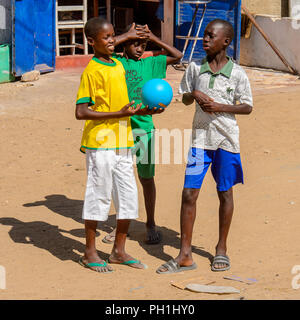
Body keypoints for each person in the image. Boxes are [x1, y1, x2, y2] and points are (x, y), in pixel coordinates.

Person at [156, 19, 253, 273]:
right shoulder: (196, 68)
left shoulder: (238, 73)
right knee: (189, 193)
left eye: (211, 36)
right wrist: (194, 95)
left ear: (226, 42)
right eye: (205, 35)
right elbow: (186, 98)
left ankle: (221, 248)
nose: (205, 40)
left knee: (225, 193)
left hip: (226, 142)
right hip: (200, 141)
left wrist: (219, 107)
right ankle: (185, 254)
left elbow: (247, 106)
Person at [75, 17, 159, 273]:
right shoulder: (92, 70)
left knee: (128, 197)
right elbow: (81, 112)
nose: (112, 41)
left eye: (113, 36)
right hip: (100, 143)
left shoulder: (117, 66)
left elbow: (123, 105)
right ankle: (89, 252)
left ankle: (118, 252)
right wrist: (119, 115)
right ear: (91, 42)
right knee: (98, 195)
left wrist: (144, 110)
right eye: (107, 37)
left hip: (123, 141)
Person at [101, 23, 183, 245]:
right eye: (134, 44)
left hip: (144, 128)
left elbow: (177, 55)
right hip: (120, 128)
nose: (139, 48)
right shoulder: (117, 63)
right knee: (120, 179)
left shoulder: (151, 62)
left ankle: (150, 222)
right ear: (125, 45)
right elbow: (103, 48)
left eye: (142, 45)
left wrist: (154, 38)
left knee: (146, 178)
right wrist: (127, 35)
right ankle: (123, 224)